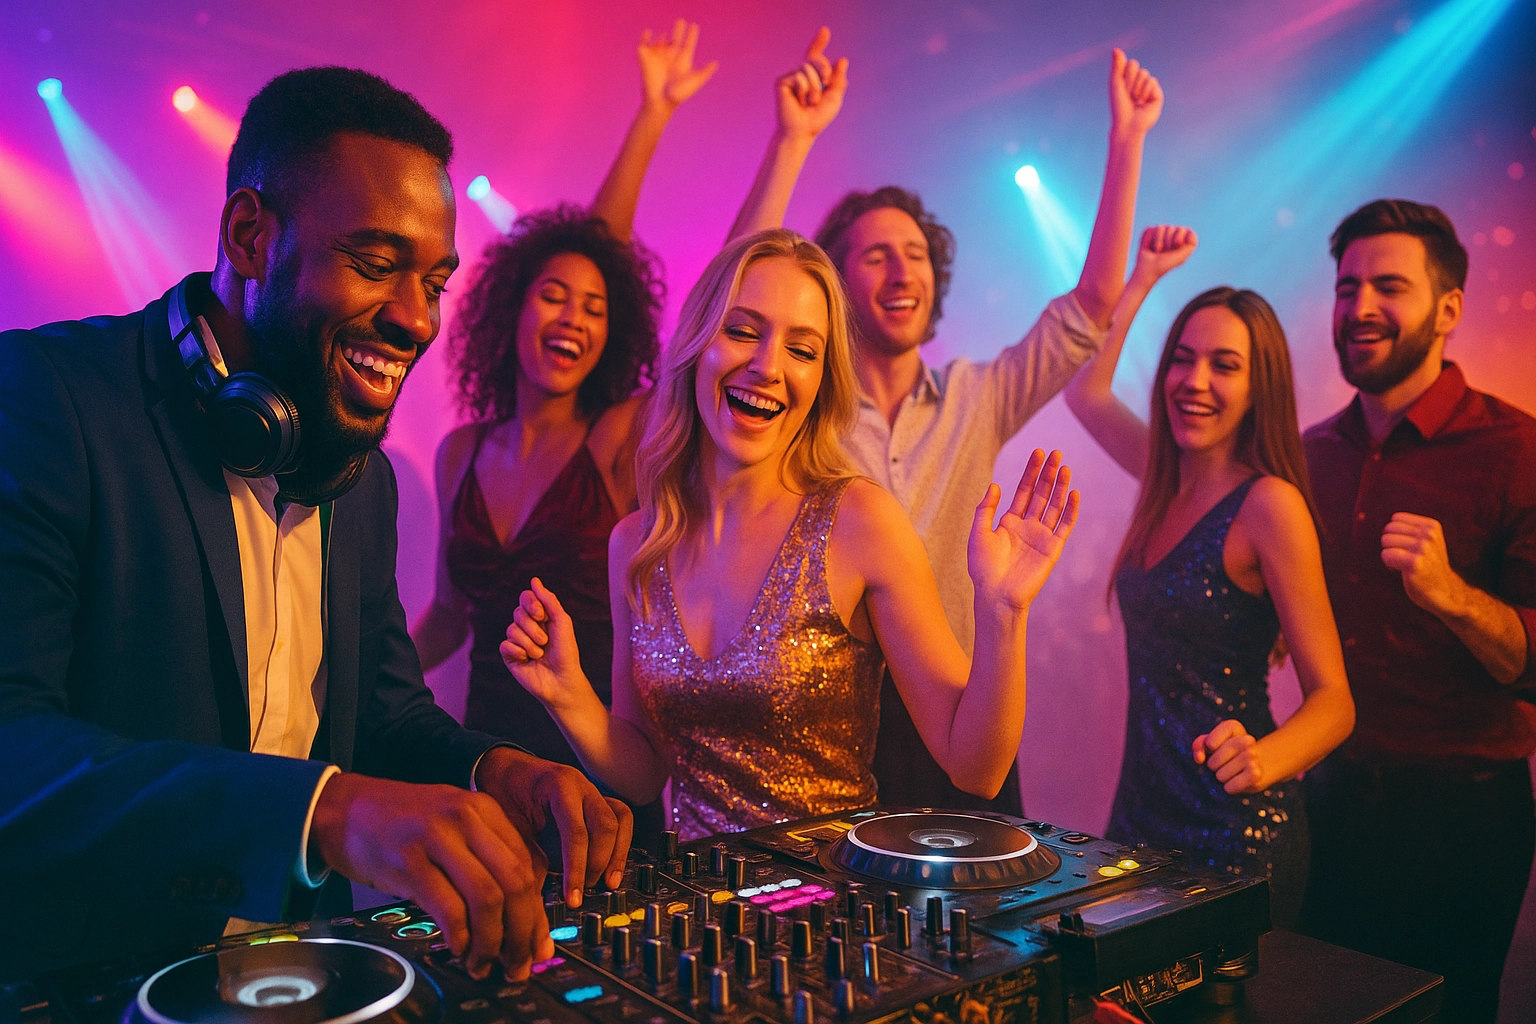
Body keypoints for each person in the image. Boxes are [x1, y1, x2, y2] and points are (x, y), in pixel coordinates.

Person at [0, 67, 631, 983]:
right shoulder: (49, 402)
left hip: (308, 977)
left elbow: (380, 713)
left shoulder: (359, 478)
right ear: (251, 236)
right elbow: (14, 748)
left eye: (435, 281)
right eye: (377, 265)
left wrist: (496, 769)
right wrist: (324, 812)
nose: (418, 319)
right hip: (95, 988)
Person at [498, 229, 1080, 839]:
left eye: (802, 350)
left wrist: (1004, 609)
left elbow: (976, 769)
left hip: (835, 910)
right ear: (697, 345)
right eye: (743, 331)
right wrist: (568, 697)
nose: (767, 366)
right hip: (703, 916)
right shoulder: (638, 543)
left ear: (821, 381)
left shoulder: (859, 521)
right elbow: (645, 774)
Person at [725, 35, 1162, 815]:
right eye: (877, 257)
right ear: (832, 283)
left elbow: (1090, 308)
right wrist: (791, 141)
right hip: (828, 717)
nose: (903, 272)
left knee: (982, 927)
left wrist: (1126, 143)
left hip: (960, 701)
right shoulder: (797, 402)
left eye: (917, 255)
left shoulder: (978, 394)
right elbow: (736, 295)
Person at [410, 22, 715, 849]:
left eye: (595, 307)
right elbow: (447, 612)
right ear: (509, 309)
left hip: (598, 765)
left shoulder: (619, 437)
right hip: (484, 770)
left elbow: (599, 250)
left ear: (612, 335)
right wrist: (346, 679)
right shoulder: (460, 451)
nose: (573, 316)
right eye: (554, 296)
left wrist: (651, 116)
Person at [1062, 226, 1354, 928]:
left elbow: (1335, 701)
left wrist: (1264, 758)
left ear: (1259, 388)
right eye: (1183, 360)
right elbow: (1085, 391)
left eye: (1224, 365)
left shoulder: (1268, 505)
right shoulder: (1163, 476)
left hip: (1236, 828)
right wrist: (1143, 280)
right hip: (1140, 821)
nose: (1195, 382)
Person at [1297, 199, 1536, 1023]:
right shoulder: (1308, 453)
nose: (1360, 306)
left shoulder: (1518, 449)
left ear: (1449, 309)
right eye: (1347, 285)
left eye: (1388, 286)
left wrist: (1453, 598)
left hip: (1461, 816)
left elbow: (1533, 666)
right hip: (1324, 802)